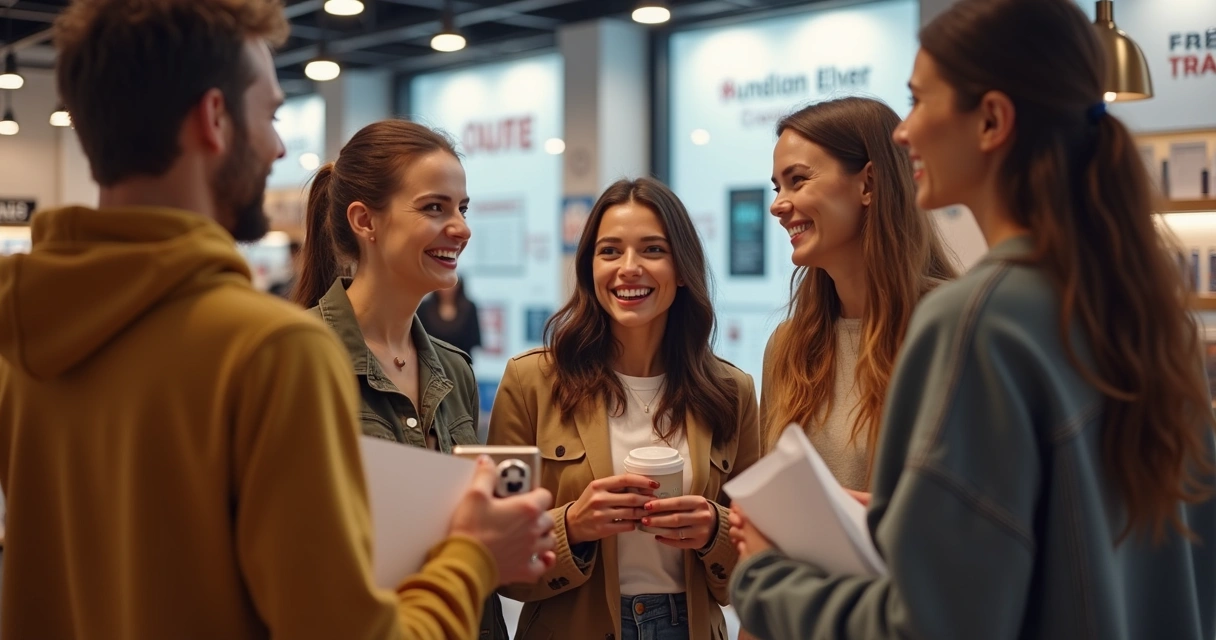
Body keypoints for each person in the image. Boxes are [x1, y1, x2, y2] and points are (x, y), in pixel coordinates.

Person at [0, 1, 556, 639]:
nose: (278, 145)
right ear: (215, 119)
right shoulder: (269, 351)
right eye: (268, 113)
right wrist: (474, 557)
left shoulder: (26, 337)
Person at [728, 1, 1216, 638]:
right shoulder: (1147, 315)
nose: (904, 132)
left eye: (920, 102)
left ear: (990, 120)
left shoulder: (974, 321)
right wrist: (911, 524)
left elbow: (928, 625)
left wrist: (765, 577)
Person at [488, 178, 762, 640]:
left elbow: (756, 560)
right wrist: (572, 526)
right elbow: (495, 557)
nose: (628, 269)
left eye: (652, 250)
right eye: (610, 251)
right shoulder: (531, 383)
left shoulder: (731, 391)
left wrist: (715, 529)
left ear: (681, 268)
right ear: (589, 268)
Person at [291, 119, 512, 638]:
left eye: (462, 208)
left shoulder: (454, 370)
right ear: (365, 221)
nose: (460, 227)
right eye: (435, 208)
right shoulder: (299, 360)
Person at [760, 97, 956, 499]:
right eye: (778, 186)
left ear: (868, 183)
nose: (777, 205)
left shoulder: (953, 328)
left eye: (798, 180)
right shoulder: (787, 347)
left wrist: (883, 521)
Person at [418, 276, 483, 360]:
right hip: (432, 361)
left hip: (461, 361)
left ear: (458, 285)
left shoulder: (468, 307)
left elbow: (474, 338)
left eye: (450, 284)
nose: (446, 289)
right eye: (442, 284)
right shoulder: (425, 308)